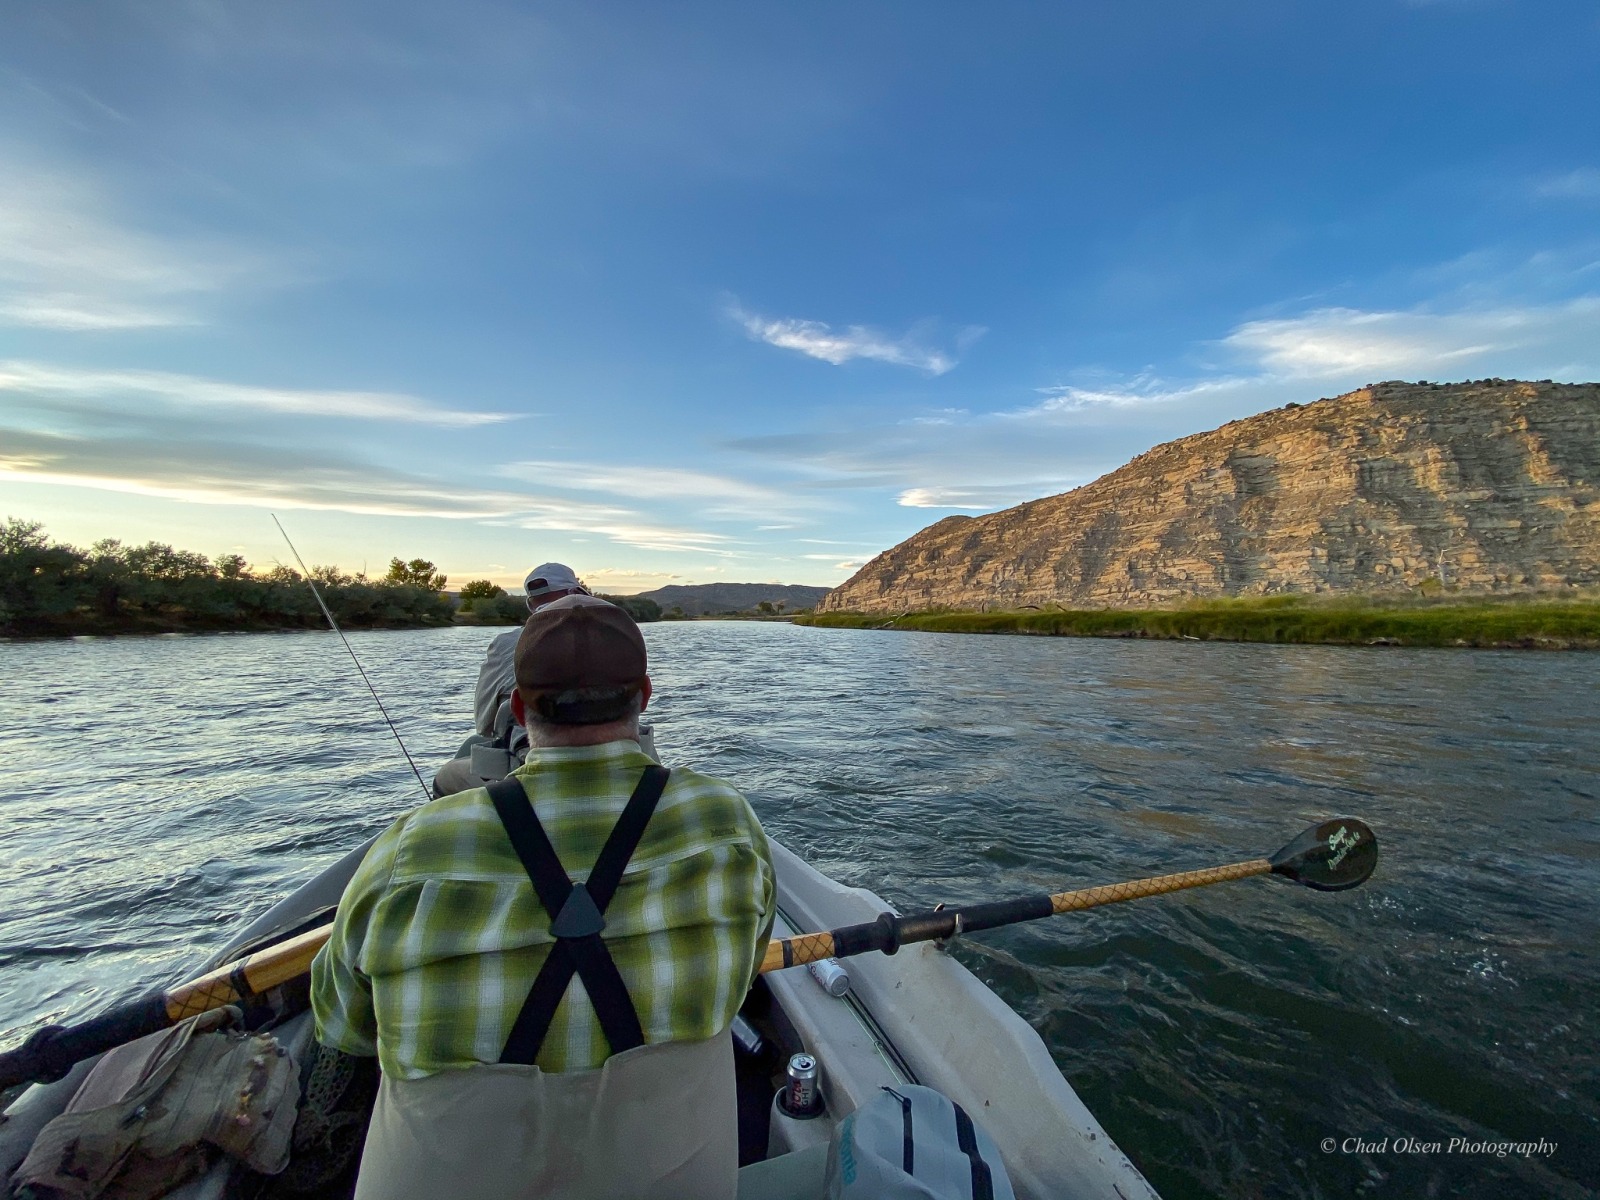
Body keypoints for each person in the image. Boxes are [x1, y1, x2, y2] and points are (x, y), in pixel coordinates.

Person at [310, 595, 775, 1200]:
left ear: (518, 706)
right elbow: (743, 974)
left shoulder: (410, 850)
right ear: (645, 695)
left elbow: (343, 1025)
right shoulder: (729, 826)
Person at [473, 562, 590, 737]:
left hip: (522, 749)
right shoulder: (606, 637)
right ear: (575, 594)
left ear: (530, 604)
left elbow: (484, 723)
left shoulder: (503, 644)